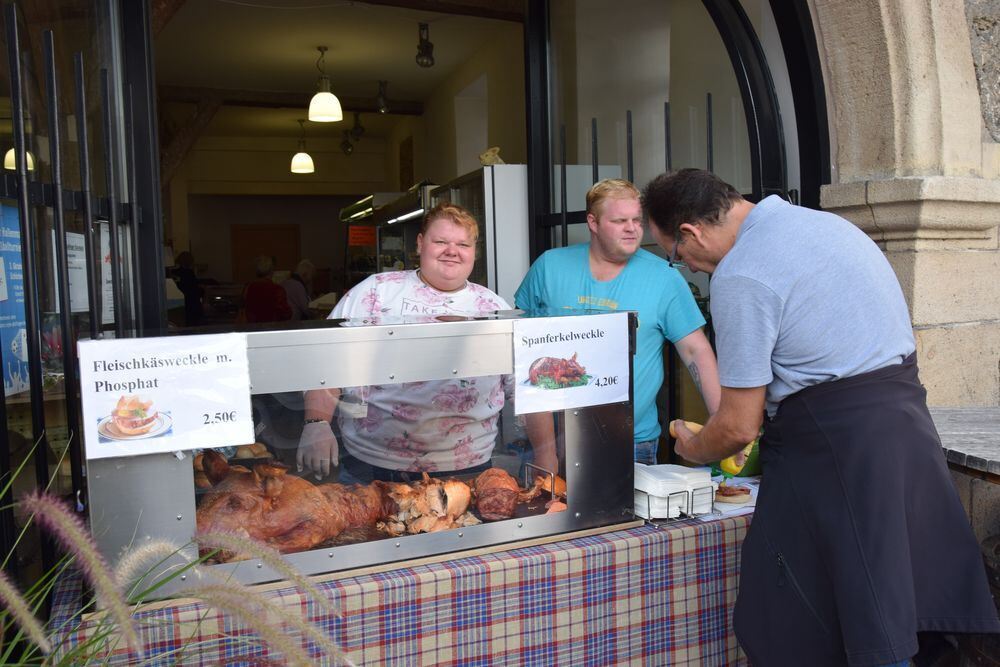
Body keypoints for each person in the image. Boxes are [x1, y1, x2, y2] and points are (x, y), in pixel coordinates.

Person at [642, 168, 1000, 666]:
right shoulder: (829, 226)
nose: (688, 268)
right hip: (905, 432)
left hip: (838, 454)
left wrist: (691, 446)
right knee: (903, 607)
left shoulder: (742, 273)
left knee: (856, 619)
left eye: (675, 256)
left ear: (690, 232)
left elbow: (739, 426)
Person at [296, 203, 552, 482]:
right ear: (420, 244)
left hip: (467, 470)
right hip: (370, 467)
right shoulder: (375, 292)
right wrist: (317, 423)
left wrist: (545, 455)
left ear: (474, 252)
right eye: (440, 241)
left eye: (463, 244)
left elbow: (530, 389)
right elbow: (326, 361)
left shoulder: (492, 306)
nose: (451, 250)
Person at [514, 178, 720, 464]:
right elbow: (522, 349)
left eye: (637, 220)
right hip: (554, 441)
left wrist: (724, 424)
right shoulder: (549, 266)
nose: (632, 228)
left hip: (632, 443)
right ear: (593, 222)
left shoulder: (664, 278)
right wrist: (544, 451)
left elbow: (695, 350)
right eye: (620, 220)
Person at [243, 255, 292, 323]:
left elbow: (247, 311)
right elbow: (286, 314)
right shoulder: (277, 289)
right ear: (271, 271)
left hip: (253, 329)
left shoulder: (248, 288)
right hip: (272, 329)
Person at [173, 251, 202, 326]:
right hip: (192, 300)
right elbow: (195, 287)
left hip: (181, 299)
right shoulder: (189, 273)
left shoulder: (175, 273)